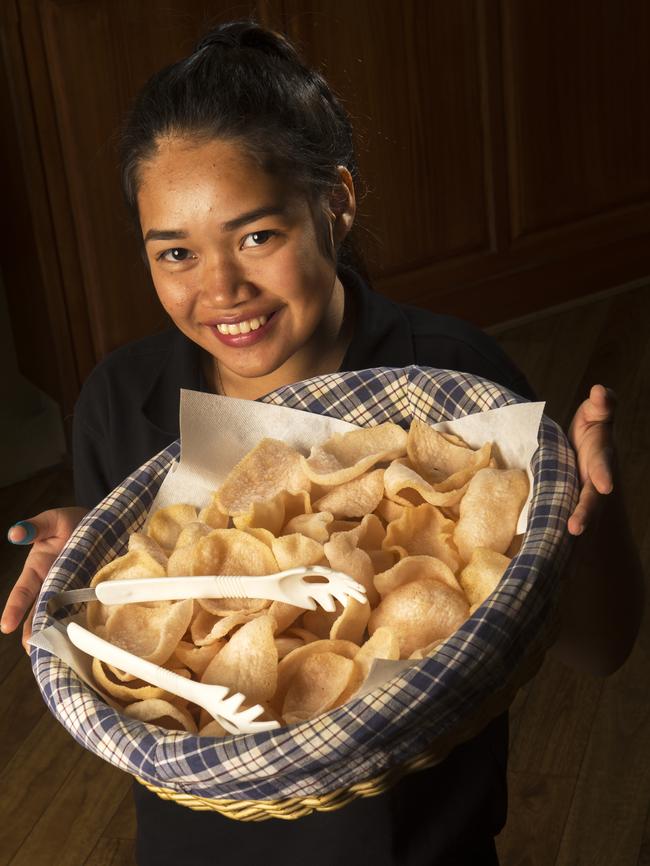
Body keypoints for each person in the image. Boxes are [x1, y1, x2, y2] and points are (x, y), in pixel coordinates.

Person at [1, 20, 643, 866]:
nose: (220, 288)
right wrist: (97, 570)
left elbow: (605, 647)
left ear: (335, 200)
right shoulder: (120, 402)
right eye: (175, 253)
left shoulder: (449, 381)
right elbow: (140, 656)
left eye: (257, 235)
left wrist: (586, 518)